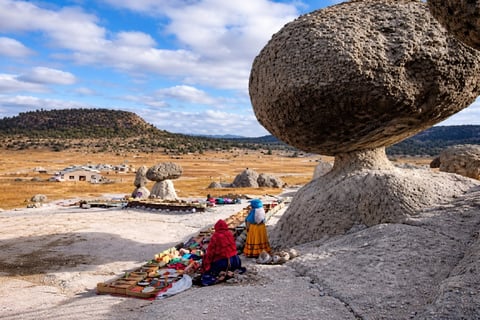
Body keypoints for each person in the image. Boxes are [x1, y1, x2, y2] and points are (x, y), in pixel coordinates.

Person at [201, 219, 245, 285]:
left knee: (209, 271)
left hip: (222, 263)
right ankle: (231, 271)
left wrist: (206, 264)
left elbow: (210, 253)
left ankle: (220, 274)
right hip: (235, 261)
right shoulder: (229, 234)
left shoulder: (216, 236)